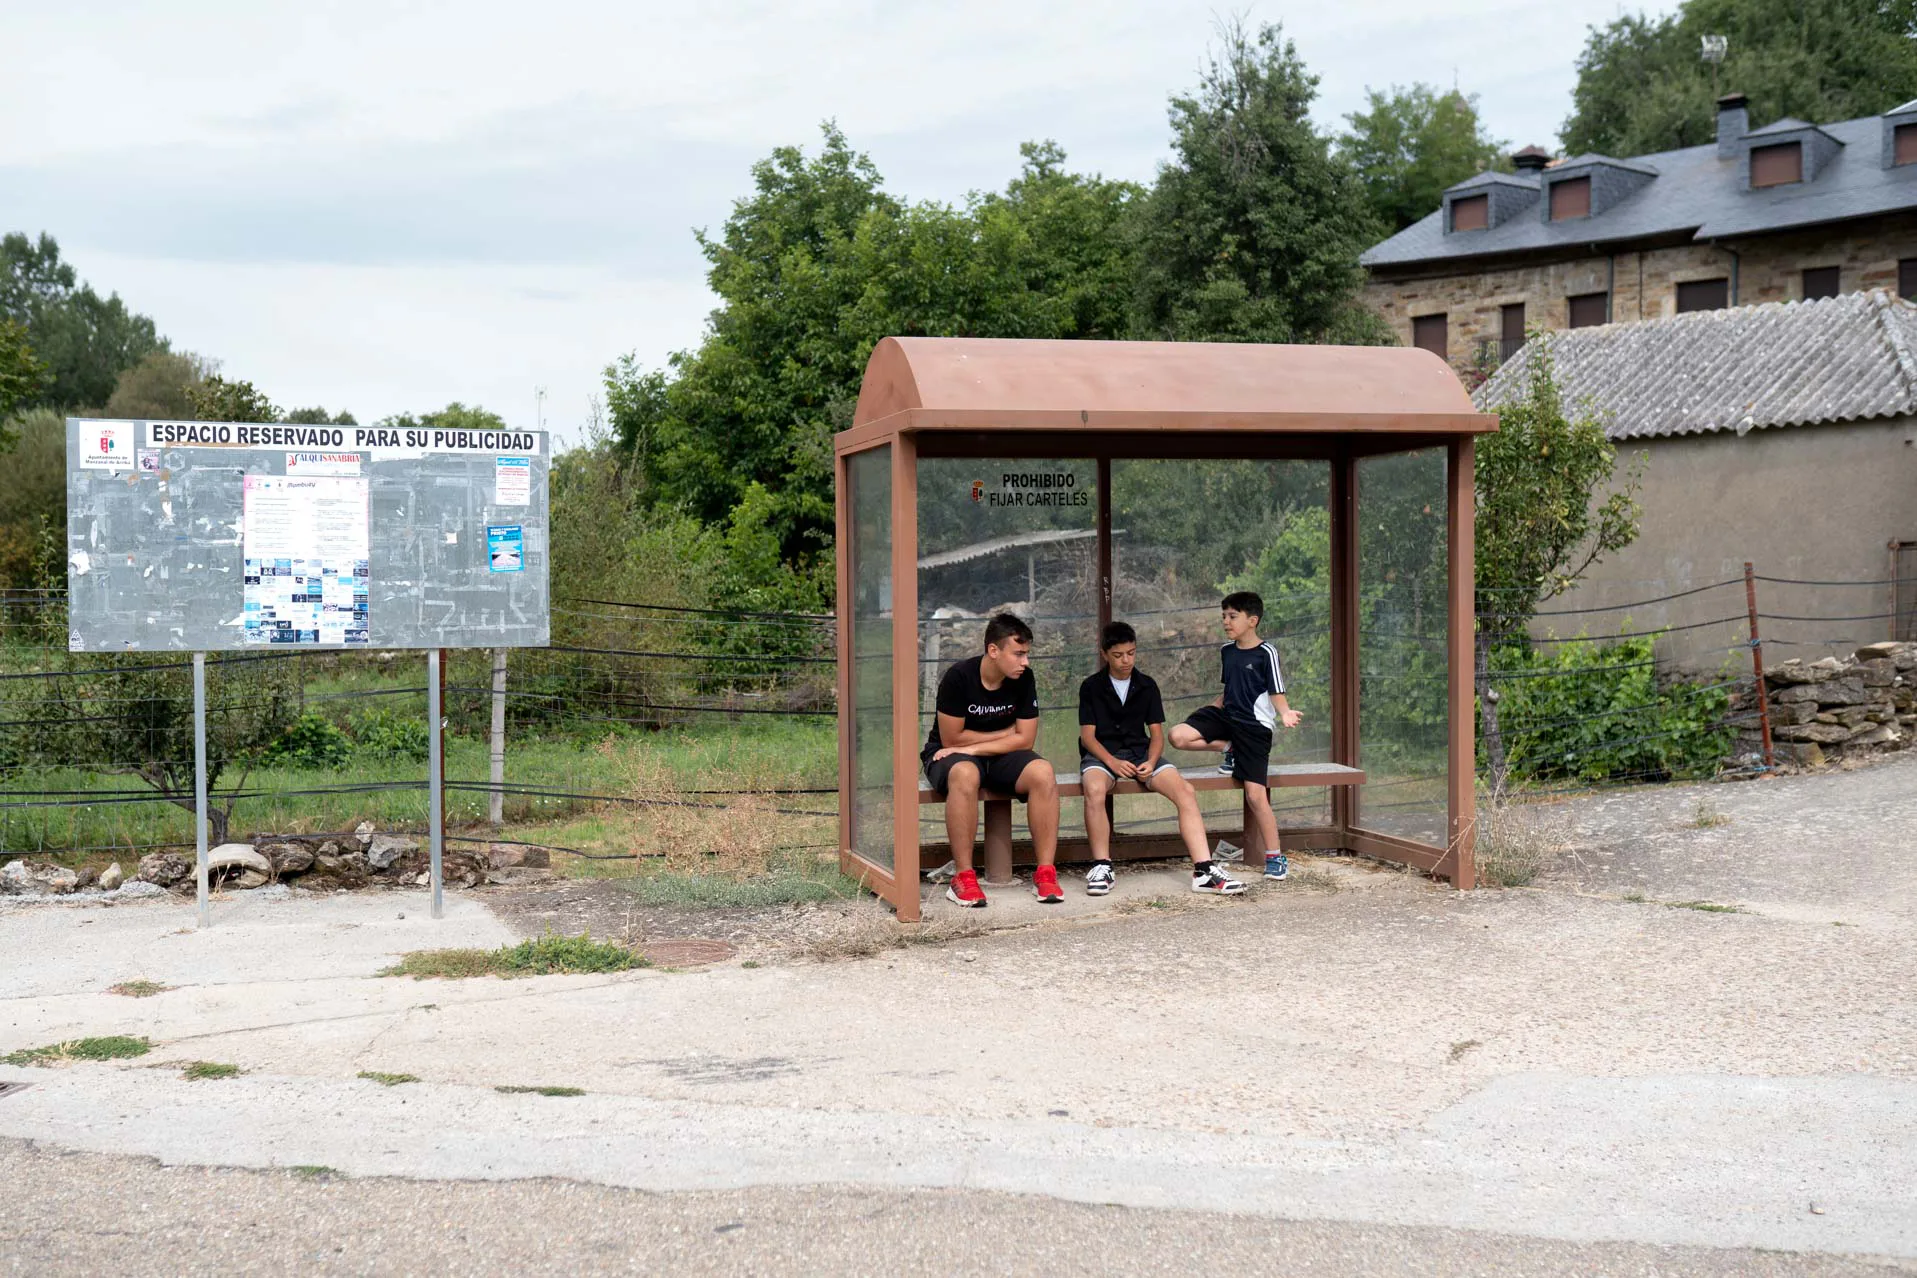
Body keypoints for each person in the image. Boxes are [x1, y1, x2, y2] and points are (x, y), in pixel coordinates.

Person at [1078, 621, 1245, 896]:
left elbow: (1156, 734)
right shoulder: (1091, 687)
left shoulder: (1147, 685)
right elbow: (1088, 738)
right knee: (1094, 789)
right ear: (1105, 654)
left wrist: (1152, 762)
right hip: (1103, 755)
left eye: (1131, 653)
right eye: (1118, 655)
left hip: (1142, 753)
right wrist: (1113, 763)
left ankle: (1204, 870)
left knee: (1185, 791)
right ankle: (1102, 866)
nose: (1126, 660)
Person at [922, 612, 1062, 907]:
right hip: (948, 755)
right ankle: (963, 877)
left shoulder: (1024, 678)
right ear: (994, 650)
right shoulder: (959, 677)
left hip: (994, 755)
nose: (1025, 662)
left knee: (1043, 771)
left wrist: (978, 746)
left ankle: (1046, 873)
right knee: (965, 774)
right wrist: (1004, 734)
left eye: (1027, 655)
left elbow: (1025, 739)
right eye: (1019, 654)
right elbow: (951, 740)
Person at [1168, 591, 1304, 881]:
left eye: (1232, 617)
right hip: (1227, 718)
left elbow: (1276, 691)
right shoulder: (1226, 651)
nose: (1226, 622)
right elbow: (1230, 690)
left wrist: (1285, 713)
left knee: (1255, 795)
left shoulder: (1267, 652)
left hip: (1255, 728)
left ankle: (1275, 857)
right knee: (1178, 735)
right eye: (1223, 617)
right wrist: (1208, 712)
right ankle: (1228, 748)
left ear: (1252, 620)